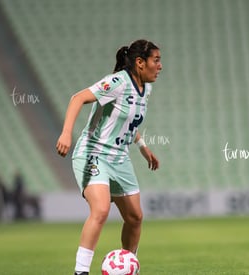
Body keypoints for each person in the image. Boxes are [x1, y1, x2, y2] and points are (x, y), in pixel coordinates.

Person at [56, 39, 162, 275]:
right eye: (156, 60)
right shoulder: (117, 82)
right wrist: (66, 133)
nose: (160, 66)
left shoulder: (147, 89)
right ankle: (81, 272)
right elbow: (77, 98)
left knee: (135, 217)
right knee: (101, 209)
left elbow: (129, 124)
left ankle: (128, 266)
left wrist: (144, 149)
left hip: (119, 158)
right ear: (139, 62)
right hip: (93, 152)